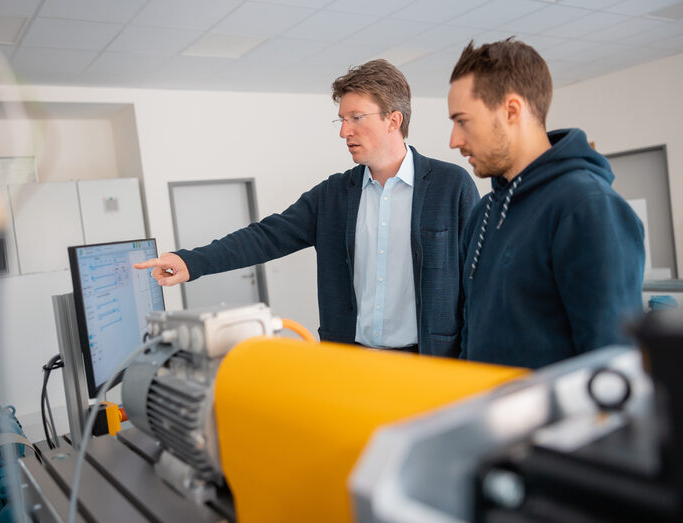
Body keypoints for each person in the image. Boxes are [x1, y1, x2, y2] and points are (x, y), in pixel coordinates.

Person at [136, 59, 478, 355]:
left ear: (393, 120)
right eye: (342, 119)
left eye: (356, 117)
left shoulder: (452, 186)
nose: (344, 131)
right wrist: (190, 261)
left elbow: (477, 283)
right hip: (350, 362)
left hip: (433, 364)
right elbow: (266, 236)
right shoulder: (333, 196)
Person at [447, 39, 644, 369]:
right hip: (489, 415)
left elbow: (612, 364)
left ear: (511, 110)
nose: (454, 140)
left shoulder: (587, 207)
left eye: (462, 121)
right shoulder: (484, 213)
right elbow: (472, 335)